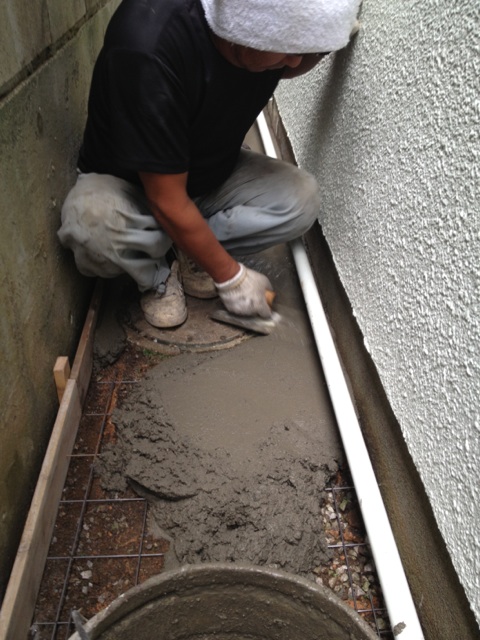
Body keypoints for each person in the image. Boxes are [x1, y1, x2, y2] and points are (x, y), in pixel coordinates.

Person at [58, 0, 361, 328]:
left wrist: (330, 34)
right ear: (246, 28)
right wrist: (232, 278)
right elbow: (165, 199)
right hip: (129, 185)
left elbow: (297, 56)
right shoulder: (148, 48)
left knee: (301, 200)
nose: (296, 62)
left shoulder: (272, 39)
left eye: (308, 49)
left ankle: (190, 248)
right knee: (91, 226)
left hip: (207, 176)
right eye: (290, 49)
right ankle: (156, 274)